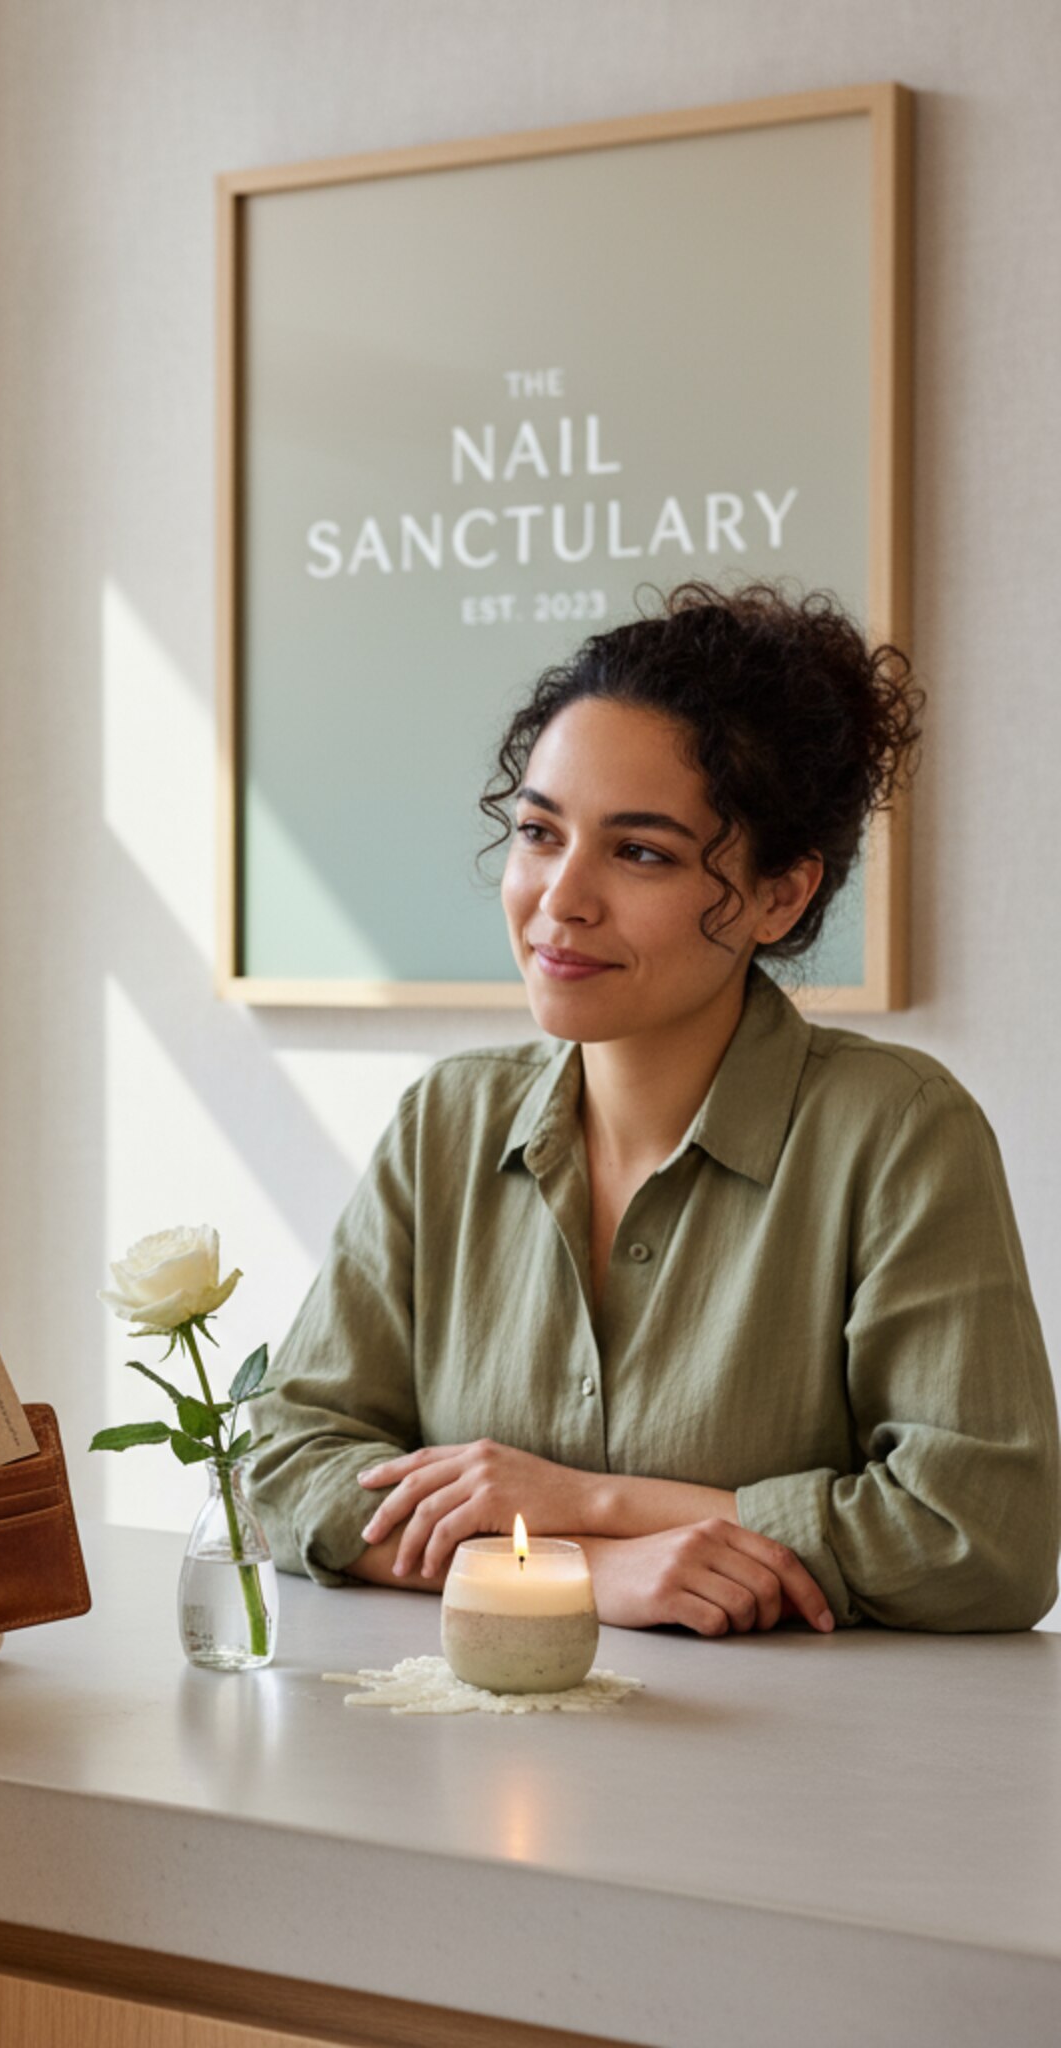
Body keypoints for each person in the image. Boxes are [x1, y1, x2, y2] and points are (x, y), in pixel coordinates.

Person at [250, 583, 1061, 1636]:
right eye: (538, 831)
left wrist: (584, 1500)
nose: (560, 897)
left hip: (793, 1782)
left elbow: (981, 1539)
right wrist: (575, 1566)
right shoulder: (443, 1120)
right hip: (453, 1764)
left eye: (639, 852)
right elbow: (282, 1464)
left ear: (781, 894)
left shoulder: (897, 1130)